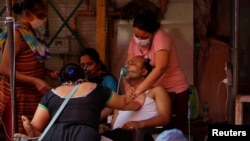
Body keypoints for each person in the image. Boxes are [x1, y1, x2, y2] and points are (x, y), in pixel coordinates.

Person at [13, 63, 142, 141]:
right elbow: (123, 103)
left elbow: (37, 126)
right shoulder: (96, 88)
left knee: (38, 134)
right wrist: (138, 103)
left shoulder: (51, 94)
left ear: (61, 79)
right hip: (85, 135)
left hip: (55, 135)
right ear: (83, 77)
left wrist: (32, 129)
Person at [0, 0, 58, 140]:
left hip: (32, 98)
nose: (43, 19)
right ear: (27, 13)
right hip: (18, 98)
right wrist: (35, 81)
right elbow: (4, 69)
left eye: (44, 16)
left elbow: (29, 63)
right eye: (40, 15)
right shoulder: (17, 33)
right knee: (19, 134)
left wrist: (47, 72)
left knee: (32, 134)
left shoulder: (31, 33)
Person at [125, 12, 189, 132]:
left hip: (173, 89)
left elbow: (160, 68)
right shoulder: (135, 40)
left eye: (144, 37)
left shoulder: (160, 37)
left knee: (173, 130)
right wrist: (128, 89)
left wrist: (138, 91)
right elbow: (126, 68)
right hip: (151, 91)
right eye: (136, 35)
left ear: (153, 33)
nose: (139, 40)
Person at [100, 56, 172, 141]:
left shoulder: (156, 91)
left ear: (144, 71)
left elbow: (165, 118)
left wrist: (140, 124)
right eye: (126, 64)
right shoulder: (122, 100)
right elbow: (114, 127)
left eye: (132, 64)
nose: (127, 66)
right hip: (119, 135)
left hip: (141, 136)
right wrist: (107, 128)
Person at [79, 47, 118, 121]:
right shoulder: (81, 81)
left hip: (102, 120)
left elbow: (112, 106)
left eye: (90, 64)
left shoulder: (108, 79)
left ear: (98, 64)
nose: (86, 68)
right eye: (82, 65)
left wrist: (92, 120)